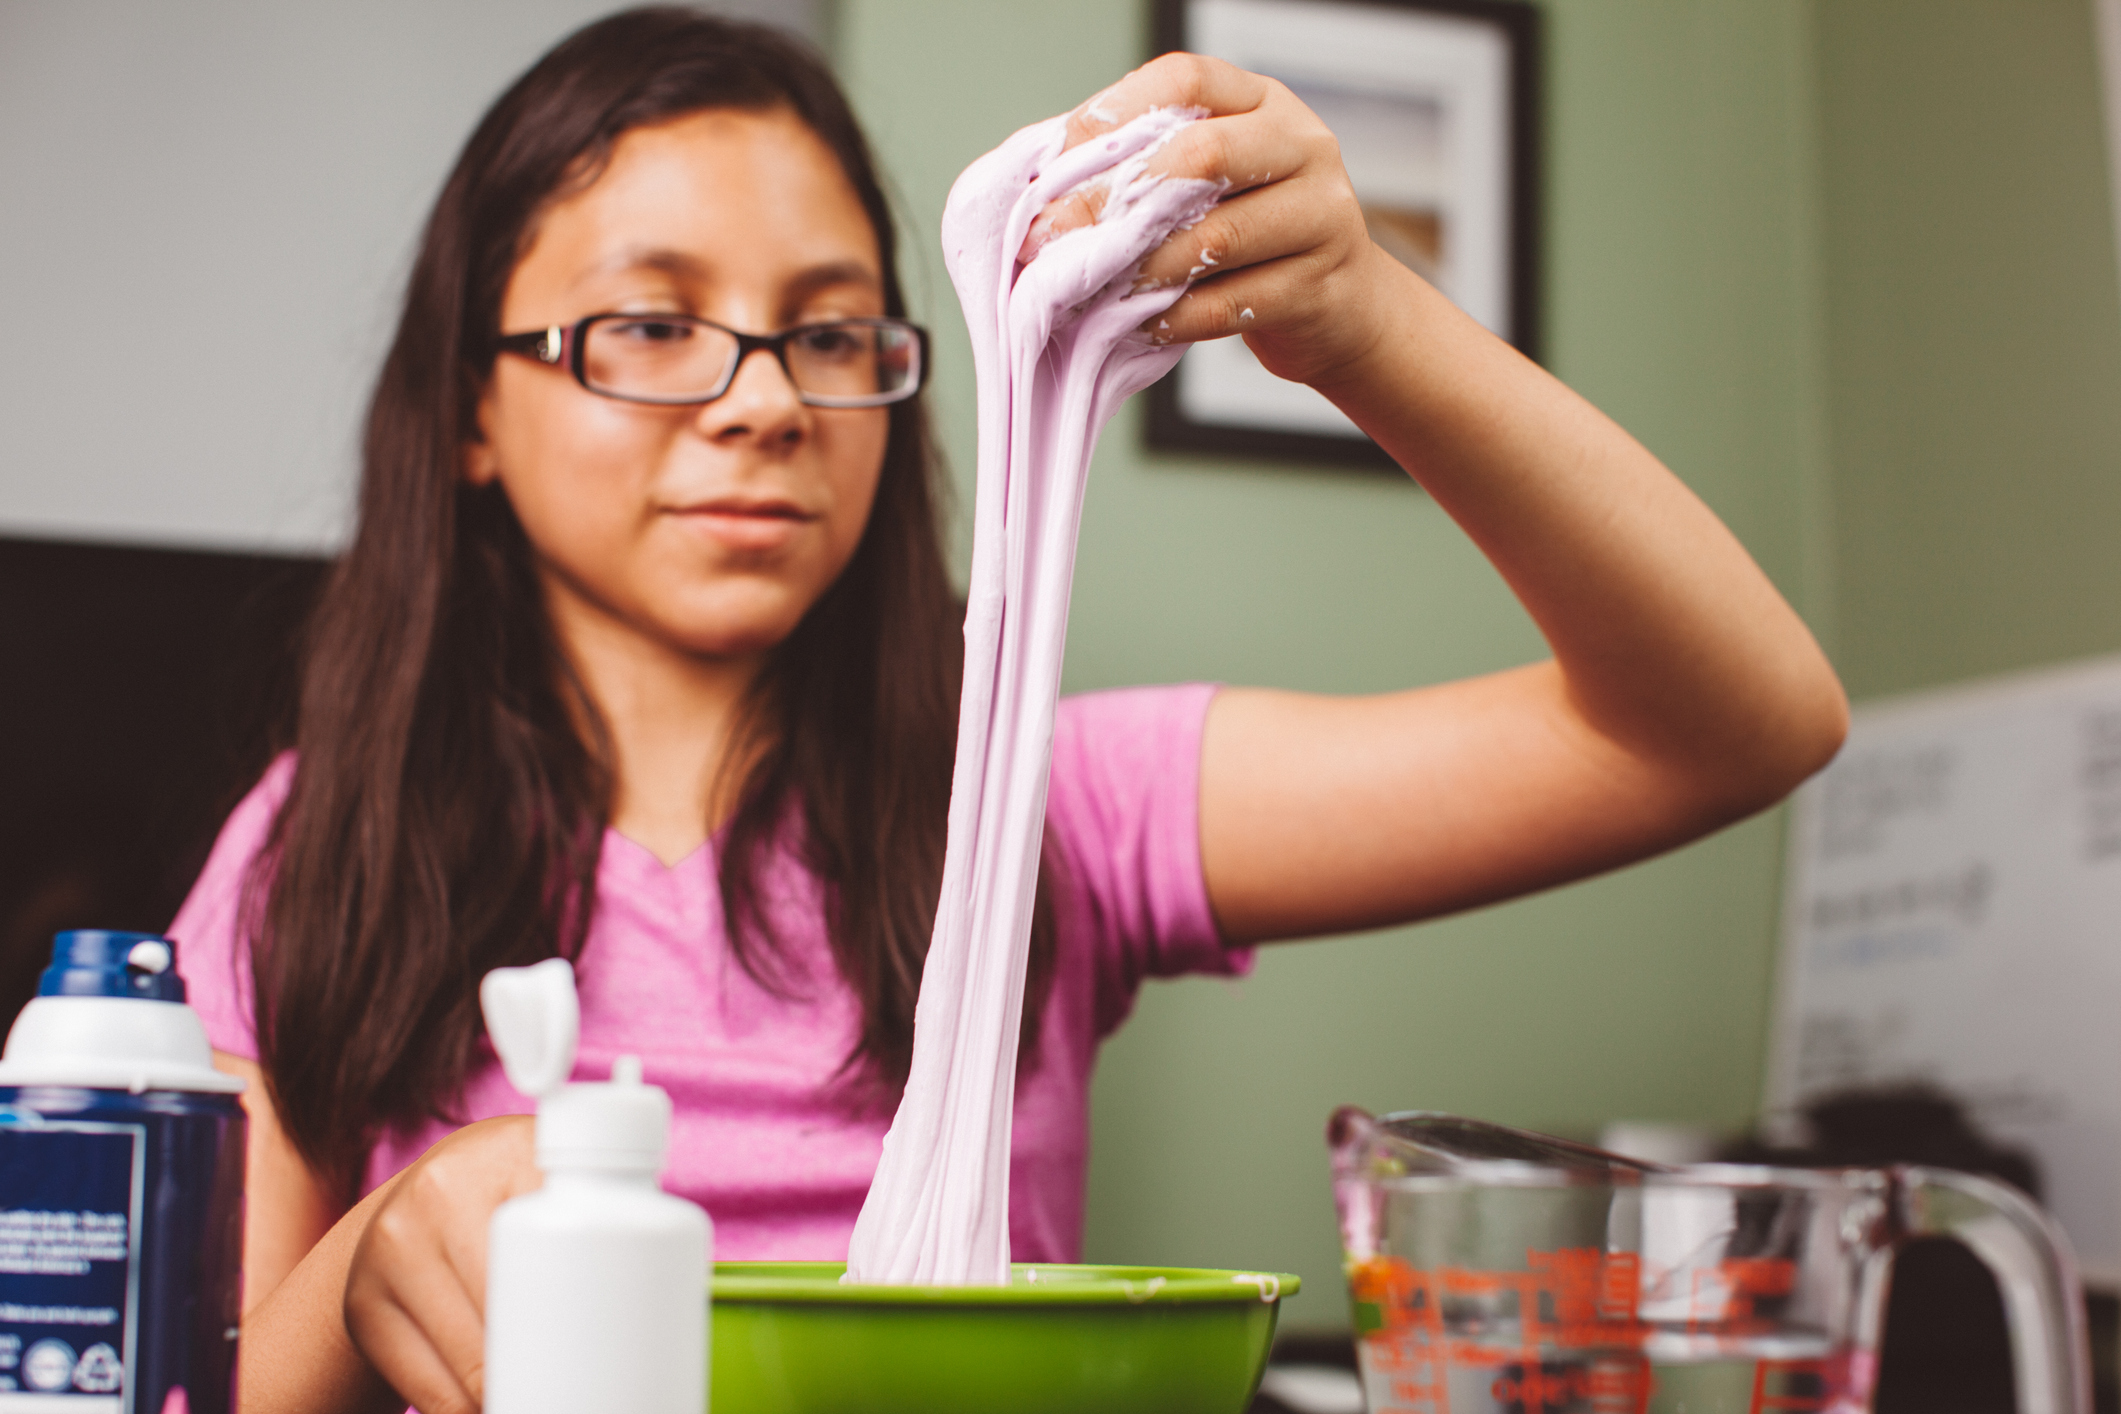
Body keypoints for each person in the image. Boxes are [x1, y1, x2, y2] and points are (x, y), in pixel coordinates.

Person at [165, 9, 1848, 1412]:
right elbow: (185, 1384)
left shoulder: (1050, 803)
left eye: (827, 332)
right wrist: (381, 1246)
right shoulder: (319, 848)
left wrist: (1367, 317)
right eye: (655, 323)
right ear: (471, 400)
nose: (762, 401)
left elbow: (1729, 724)